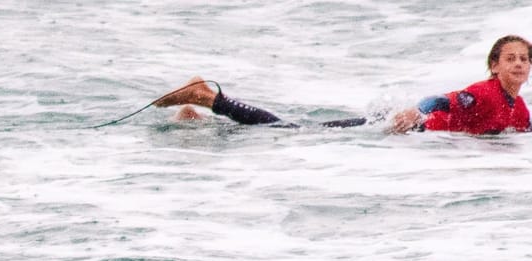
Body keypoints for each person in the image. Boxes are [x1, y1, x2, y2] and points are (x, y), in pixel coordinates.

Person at [152, 35, 530, 134]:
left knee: (288, 130)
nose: (518, 64)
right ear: (494, 66)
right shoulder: (484, 92)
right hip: (400, 130)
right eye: (510, 58)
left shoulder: (519, 108)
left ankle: (199, 118)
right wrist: (417, 112)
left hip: (410, 140)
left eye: (524, 59)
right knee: (291, 131)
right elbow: (441, 100)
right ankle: (207, 96)